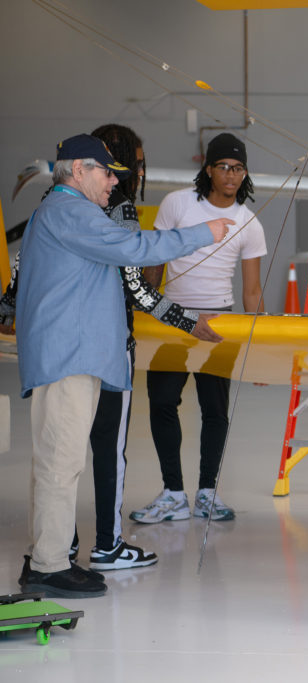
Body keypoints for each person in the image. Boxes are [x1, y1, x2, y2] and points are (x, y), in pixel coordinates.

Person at [12, 133, 230, 598]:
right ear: (77, 170)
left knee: (58, 461)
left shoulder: (62, 212)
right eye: (107, 171)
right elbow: (136, 252)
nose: (114, 182)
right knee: (60, 463)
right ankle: (50, 565)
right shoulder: (70, 211)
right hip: (68, 358)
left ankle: (48, 556)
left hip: (75, 356)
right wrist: (202, 234)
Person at [131, 133, 267, 525]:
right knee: (161, 401)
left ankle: (208, 492)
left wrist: (255, 345)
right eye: (224, 166)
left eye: (238, 168)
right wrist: (146, 308)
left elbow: (253, 290)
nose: (231, 174)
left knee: (215, 409)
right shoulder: (177, 203)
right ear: (208, 169)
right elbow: (155, 261)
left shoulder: (248, 222)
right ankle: (173, 493)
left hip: (219, 321)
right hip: (171, 319)